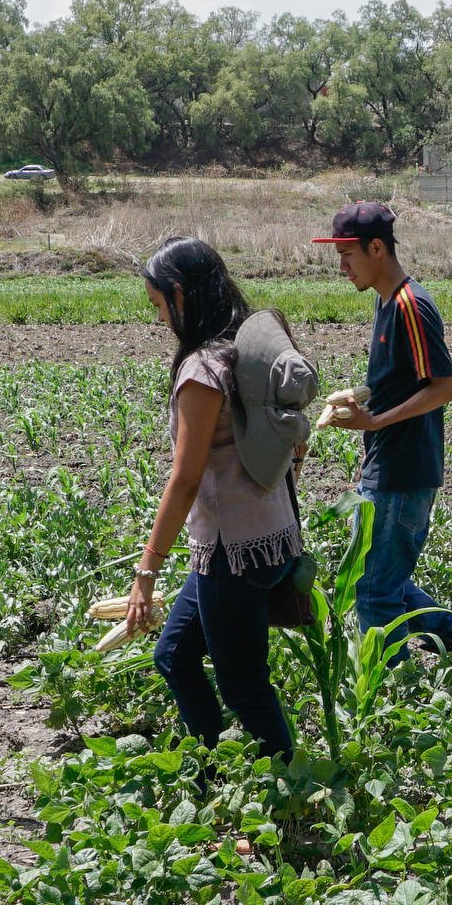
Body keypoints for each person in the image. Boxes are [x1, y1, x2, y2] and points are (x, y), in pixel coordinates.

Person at [123, 236, 316, 760]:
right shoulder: (248, 355)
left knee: (245, 688)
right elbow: (296, 442)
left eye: (159, 305)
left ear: (180, 295)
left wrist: (146, 573)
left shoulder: (202, 370)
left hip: (234, 555)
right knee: (174, 656)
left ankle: (287, 792)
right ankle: (212, 770)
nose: (159, 318)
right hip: (273, 542)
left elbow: (184, 479)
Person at [314, 202, 452, 665]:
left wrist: (372, 422)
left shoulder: (410, 306)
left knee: (374, 592)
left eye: (347, 253)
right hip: (387, 464)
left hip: (403, 469)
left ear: (377, 248)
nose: (341, 265)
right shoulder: (386, 301)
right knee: (380, 582)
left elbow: (444, 387)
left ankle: (392, 693)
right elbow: (402, 381)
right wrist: (364, 398)